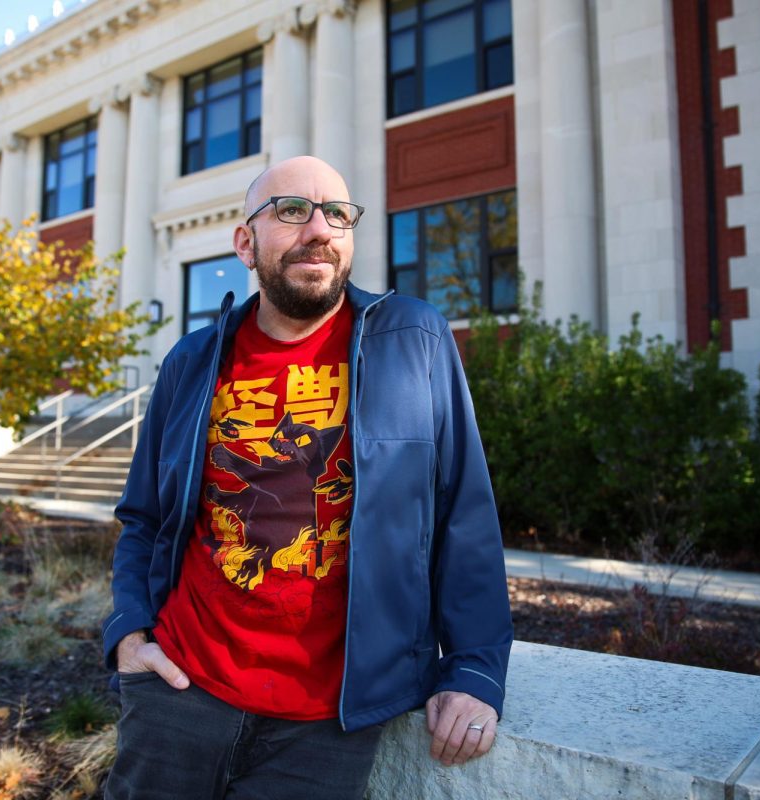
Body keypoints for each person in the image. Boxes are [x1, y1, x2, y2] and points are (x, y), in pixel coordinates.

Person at [102, 156, 512, 799]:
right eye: (292, 211)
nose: (319, 229)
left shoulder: (415, 339)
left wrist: (476, 670)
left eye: (338, 215)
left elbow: (465, 514)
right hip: (180, 690)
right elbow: (143, 517)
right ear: (245, 242)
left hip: (328, 721)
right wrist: (128, 635)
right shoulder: (191, 362)